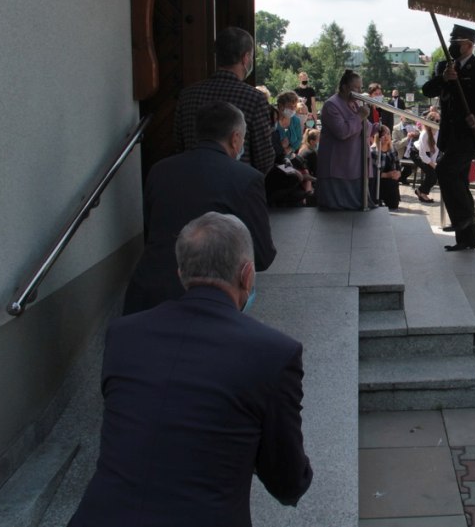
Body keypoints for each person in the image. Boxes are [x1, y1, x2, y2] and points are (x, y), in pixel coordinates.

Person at [69, 213, 312, 526]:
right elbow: (288, 481)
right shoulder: (274, 353)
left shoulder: (123, 335)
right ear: (247, 274)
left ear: (181, 273)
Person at [123, 101, 276, 315]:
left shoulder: (159, 171)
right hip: (209, 302)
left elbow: (151, 228)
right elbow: (262, 255)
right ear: (235, 138)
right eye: (243, 138)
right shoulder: (247, 179)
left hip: (146, 293)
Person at [421, 25, 475, 251]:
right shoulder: (444, 67)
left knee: (444, 170)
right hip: (450, 135)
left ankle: (462, 218)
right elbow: (427, 91)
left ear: (468, 45)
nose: (452, 46)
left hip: (470, 135)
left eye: (456, 43)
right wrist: (444, 79)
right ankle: (468, 238)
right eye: (451, 42)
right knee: (459, 181)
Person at [174, 27, 275, 176]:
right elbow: (264, 160)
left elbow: (179, 146)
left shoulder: (187, 95)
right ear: (246, 58)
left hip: (192, 181)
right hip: (238, 183)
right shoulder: (255, 99)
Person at [317, 70, 373, 210]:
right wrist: (359, 116)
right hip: (337, 167)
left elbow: (364, 126)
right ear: (345, 87)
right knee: (340, 212)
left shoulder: (354, 103)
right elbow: (342, 132)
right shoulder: (331, 105)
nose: (359, 92)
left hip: (354, 164)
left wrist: (377, 128)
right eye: (356, 88)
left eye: (361, 88)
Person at [371, 126, 401, 210]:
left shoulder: (393, 149)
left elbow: (398, 164)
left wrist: (398, 172)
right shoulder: (373, 151)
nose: (386, 137)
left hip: (392, 183)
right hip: (377, 183)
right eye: (383, 135)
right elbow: (372, 172)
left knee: (394, 205)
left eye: (388, 134)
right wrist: (387, 175)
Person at [413, 115, 440, 202]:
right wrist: (433, 165)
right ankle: (423, 193)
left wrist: (433, 163)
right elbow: (422, 155)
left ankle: (420, 191)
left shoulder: (438, 132)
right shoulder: (424, 134)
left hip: (427, 154)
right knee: (432, 174)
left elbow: (435, 150)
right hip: (416, 153)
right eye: (437, 121)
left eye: (439, 120)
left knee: (434, 174)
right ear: (430, 122)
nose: (439, 122)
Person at [274, 91, 303, 158]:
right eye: (290, 106)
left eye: (295, 106)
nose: (293, 109)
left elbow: (299, 139)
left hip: (290, 158)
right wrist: (280, 146)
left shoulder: (295, 120)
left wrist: (290, 148)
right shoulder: (273, 120)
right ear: (281, 106)